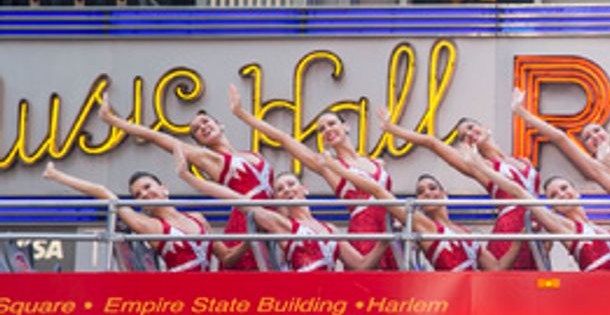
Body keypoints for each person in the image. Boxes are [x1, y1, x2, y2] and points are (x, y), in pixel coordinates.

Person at [99, 86, 271, 270]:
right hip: (246, 222)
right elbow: (156, 136)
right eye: (197, 129)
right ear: (198, 143)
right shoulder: (214, 160)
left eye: (205, 122)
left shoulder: (253, 154)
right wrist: (112, 120)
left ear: (219, 123)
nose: (203, 127)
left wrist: (240, 111)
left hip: (271, 219)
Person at [229, 89, 399, 269]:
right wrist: (242, 114)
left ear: (346, 126)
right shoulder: (329, 166)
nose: (327, 130)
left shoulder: (376, 162)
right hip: (366, 230)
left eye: (331, 123)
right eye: (322, 129)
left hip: (389, 226)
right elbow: (284, 139)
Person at [377, 94, 540, 270]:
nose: (470, 134)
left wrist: (520, 111)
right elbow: (431, 142)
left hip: (534, 226)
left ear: (484, 128)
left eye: (471, 127)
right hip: (510, 231)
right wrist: (392, 129)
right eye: (464, 136)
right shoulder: (479, 166)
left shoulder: (523, 161)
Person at [513, 98, 610, 269]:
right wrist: (523, 113)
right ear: (588, 149)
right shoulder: (602, 171)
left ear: (609, 134)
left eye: (597, 130)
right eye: (588, 138)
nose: (594, 136)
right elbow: (561, 139)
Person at [176, 151, 389, 271]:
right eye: (280, 189)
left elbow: (361, 266)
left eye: (290, 184)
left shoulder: (330, 228)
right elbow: (236, 199)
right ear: (276, 198)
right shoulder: (282, 225)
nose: (287, 190)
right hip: (302, 301)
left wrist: (382, 244)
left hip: (332, 301)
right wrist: (188, 177)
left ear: (304, 189)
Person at [315, 159, 507, 271]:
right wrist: (340, 170)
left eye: (432, 188)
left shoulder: (466, 232)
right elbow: (379, 192)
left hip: (475, 293)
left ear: (444, 194)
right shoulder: (423, 225)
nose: (428, 193)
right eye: (421, 192)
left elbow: (497, 269)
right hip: (452, 294)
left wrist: (521, 236)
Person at [461, 145, 610, 271]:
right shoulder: (564, 227)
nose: (562, 195)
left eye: (564, 188)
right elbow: (518, 192)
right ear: (553, 206)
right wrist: (481, 167)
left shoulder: (605, 231)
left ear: (577, 192)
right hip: (602, 291)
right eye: (554, 195)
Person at [43, 161, 221, 272]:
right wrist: (56, 175)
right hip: (177, 294)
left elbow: (227, 256)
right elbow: (102, 191)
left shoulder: (198, 217)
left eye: (147, 187)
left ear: (164, 188)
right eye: (137, 194)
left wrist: (249, 226)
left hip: (209, 295)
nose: (144, 194)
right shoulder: (150, 226)